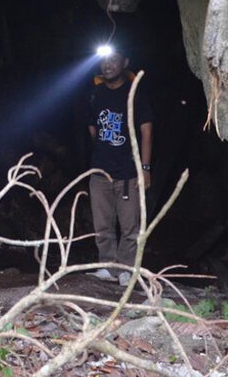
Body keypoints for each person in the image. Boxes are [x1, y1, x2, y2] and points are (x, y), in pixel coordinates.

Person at [85, 47, 154, 287]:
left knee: (130, 226)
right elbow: (92, 128)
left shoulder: (135, 94)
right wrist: (104, 153)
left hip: (128, 173)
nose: (108, 64)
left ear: (124, 62)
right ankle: (108, 266)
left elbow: (146, 131)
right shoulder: (95, 94)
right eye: (104, 60)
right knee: (102, 224)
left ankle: (126, 269)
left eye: (113, 59)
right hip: (100, 171)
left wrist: (144, 168)